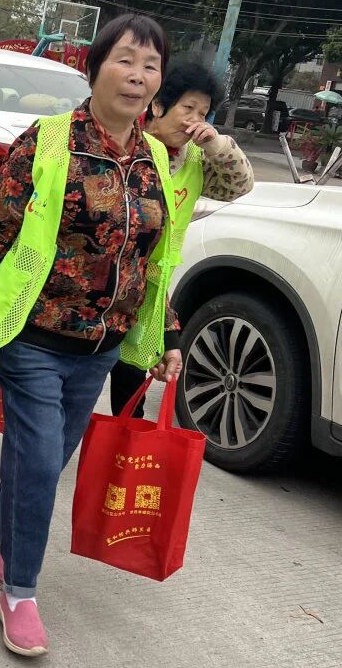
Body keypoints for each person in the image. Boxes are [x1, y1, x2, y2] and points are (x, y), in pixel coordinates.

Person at [0, 14, 181, 657]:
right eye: (125, 60)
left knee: (43, 460)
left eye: (151, 65)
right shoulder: (44, 143)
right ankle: (20, 591)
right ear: (94, 69)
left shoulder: (156, 159)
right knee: (40, 460)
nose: (138, 75)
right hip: (33, 337)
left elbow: (153, 261)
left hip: (101, 348)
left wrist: (168, 335)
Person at [109, 58, 255, 418]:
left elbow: (240, 185)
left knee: (130, 383)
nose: (195, 121)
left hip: (147, 290)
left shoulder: (194, 159)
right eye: (188, 108)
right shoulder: (125, 145)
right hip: (97, 282)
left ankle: (120, 445)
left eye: (203, 113)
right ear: (158, 105)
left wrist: (216, 144)